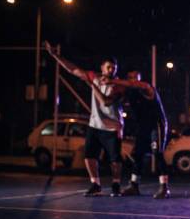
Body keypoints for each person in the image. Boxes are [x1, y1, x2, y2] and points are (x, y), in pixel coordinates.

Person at [45, 41, 125, 197]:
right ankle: (95, 184)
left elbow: (106, 101)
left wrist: (92, 85)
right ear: (102, 67)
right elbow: (72, 69)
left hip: (112, 127)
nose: (111, 70)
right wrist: (55, 56)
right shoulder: (93, 76)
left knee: (114, 159)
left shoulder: (119, 85)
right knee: (89, 156)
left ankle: (116, 184)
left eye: (114, 68)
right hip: (94, 125)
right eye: (108, 67)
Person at [103, 71, 170, 199]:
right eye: (130, 78)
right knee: (138, 154)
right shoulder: (128, 92)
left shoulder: (147, 88)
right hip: (143, 126)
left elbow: (138, 85)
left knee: (158, 153)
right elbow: (107, 102)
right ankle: (134, 185)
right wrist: (92, 84)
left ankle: (164, 187)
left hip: (156, 125)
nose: (133, 81)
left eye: (135, 78)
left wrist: (113, 81)